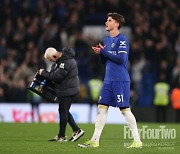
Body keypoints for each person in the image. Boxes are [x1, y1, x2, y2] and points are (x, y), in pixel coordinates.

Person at [78, 13, 142, 148]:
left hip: (120, 79)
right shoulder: (106, 40)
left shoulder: (122, 39)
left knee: (125, 110)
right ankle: (95, 141)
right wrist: (100, 53)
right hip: (108, 79)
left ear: (116, 24)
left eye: (109, 20)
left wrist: (105, 53)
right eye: (107, 20)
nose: (106, 22)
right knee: (101, 108)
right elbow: (105, 60)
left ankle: (137, 141)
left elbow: (121, 59)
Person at [38, 47, 84, 142]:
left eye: (51, 59)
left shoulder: (66, 62)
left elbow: (56, 76)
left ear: (55, 56)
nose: (51, 61)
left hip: (67, 90)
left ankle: (62, 136)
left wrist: (43, 73)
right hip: (66, 89)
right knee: (64, 111)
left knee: (63, 111)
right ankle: (74, 131)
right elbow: (54, 74)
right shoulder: (62, 61)